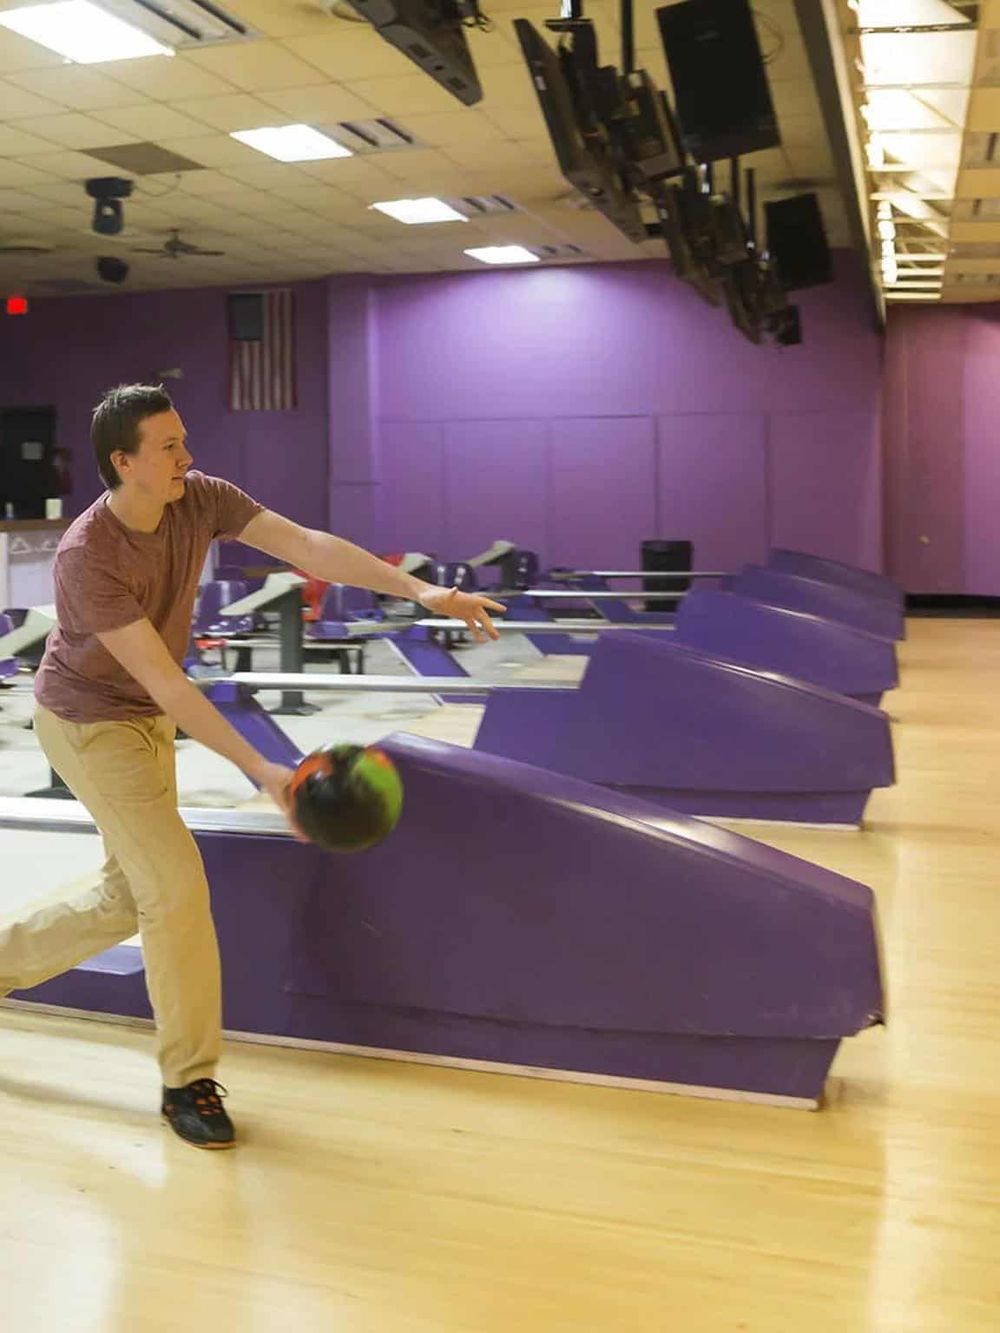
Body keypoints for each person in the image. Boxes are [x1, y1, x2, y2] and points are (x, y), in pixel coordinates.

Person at [0, 384, 505, 1150]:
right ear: (123, 462)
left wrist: (419, 589)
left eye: (183, 439)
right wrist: (262, 771)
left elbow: (305, 545)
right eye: (169, 446)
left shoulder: (199, 497)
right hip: (87, 722)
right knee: (175, 887)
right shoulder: (88, 553)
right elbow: (167, 683)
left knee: (128, 894)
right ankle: (188, 1079)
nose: (187, 456)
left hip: (143, 720)